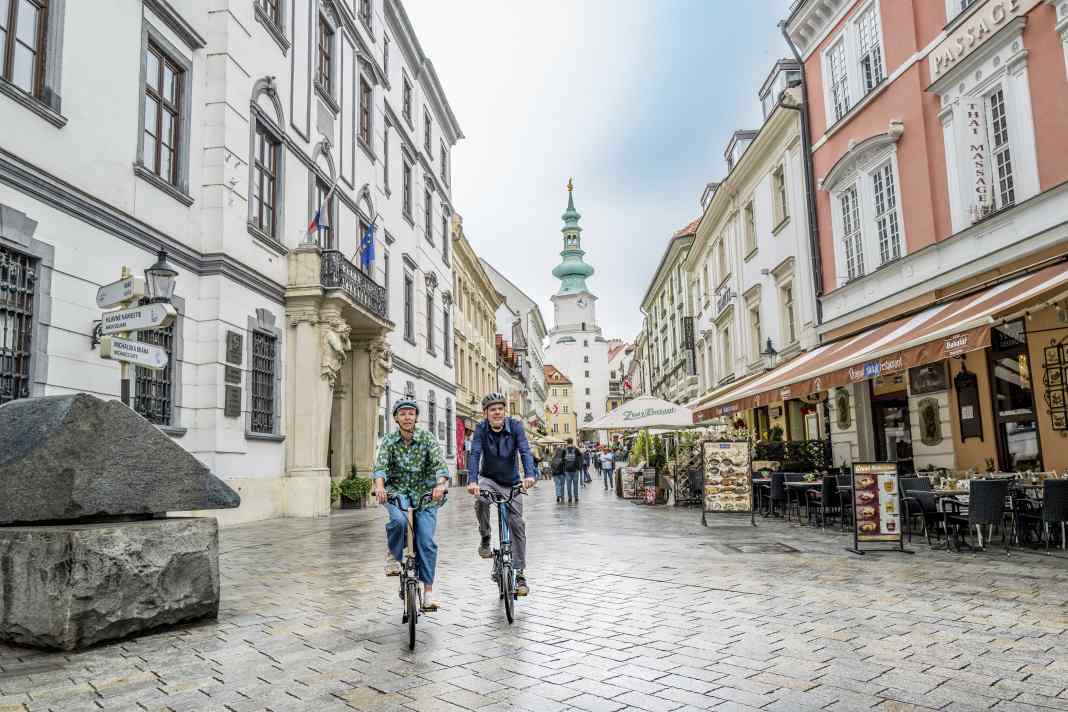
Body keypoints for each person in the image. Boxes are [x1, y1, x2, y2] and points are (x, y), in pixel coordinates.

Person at [372, 398, 449, 611]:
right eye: (403, 413)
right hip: (397, 492)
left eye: (411, 413)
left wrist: (440, 485)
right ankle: (393, 555)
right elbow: (381, 467)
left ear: (416, 417)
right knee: (397, 520)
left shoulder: (427, 438)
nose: (407, 417)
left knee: (426, 541)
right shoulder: (389, 441)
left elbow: (439, 465)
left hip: (426, 495)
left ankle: (428, 594)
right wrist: (380, 487)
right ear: (396, 417)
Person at [467, 392, 537, 596]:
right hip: (489, 479)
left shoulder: (515, 426)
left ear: (504, 411)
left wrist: (530, 475)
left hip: (512, 482)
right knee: (480, 500)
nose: (497, 412)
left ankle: (520, 573)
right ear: (486, 413)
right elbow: (475, 454)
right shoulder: (480, 429)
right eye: (492, 409)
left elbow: (524, 450)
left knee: (517, 524)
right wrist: (472, 480)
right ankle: (486, 537)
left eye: (500, 408)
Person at [551, 438, 582, 504]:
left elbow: (562, 460)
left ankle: (570, 498)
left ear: (567, 442)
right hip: (575, 470)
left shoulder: (564, 450)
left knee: (568, 485)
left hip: (567, 470)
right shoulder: (576, 450)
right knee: (575, 485)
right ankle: (576, 498)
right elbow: (581, 455)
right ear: (572, 442)